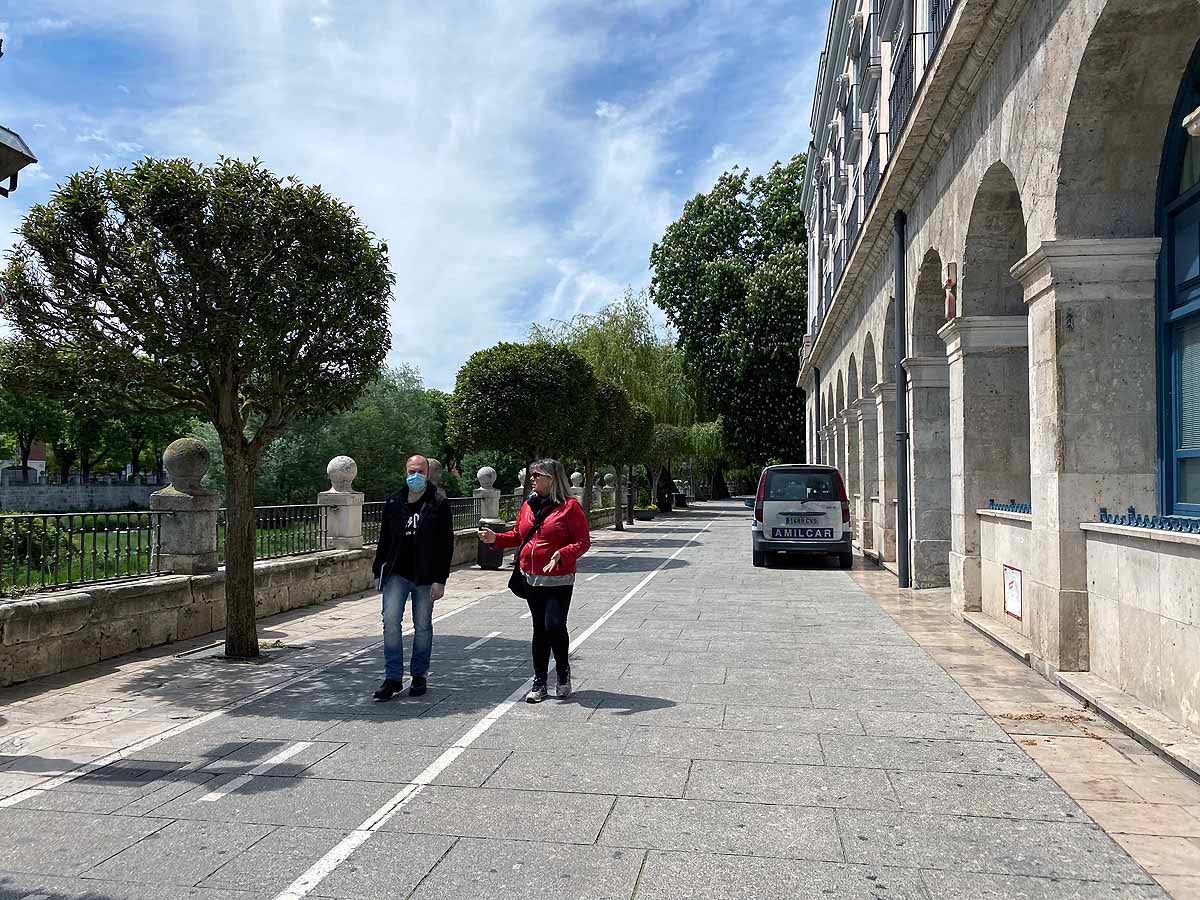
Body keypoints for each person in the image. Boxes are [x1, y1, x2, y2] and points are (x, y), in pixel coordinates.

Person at [480, 459, 590, 703]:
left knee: (554, 626)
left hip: (559, 578)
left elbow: (583, 542)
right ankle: (540, 681)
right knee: (540, 629)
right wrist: (495, 538)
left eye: (537, 475)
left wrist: (563, 553)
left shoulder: (570, 507)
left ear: (552, 479)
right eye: (532, 475)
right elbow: (519, 535)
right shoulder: (527, 506)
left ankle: (562, 672)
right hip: (531, 577)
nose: (532, 479)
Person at [370, 454, 454, 700]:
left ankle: (419, 675)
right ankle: (392, 678)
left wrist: (441, 579)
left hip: (425, 575)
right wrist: (378, 571)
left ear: (427, 474)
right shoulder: (394, 501)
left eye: (419, 471)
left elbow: (445, 543)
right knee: (391, 624)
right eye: (410, 471)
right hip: (396, 572)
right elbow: (384, 539)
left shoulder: (438, 502)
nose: (414, 476)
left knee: (423, 625)